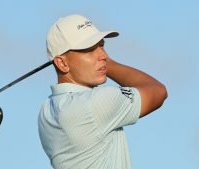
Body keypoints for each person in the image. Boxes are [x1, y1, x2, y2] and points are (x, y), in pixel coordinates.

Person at [38, 14, 167, 169]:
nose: (104, 55)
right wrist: (108, 65)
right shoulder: (96, 103)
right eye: (89, 49)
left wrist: (99, 63)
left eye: (101, 46)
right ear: (62, 63)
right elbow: (158, 91)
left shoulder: (46, 111)